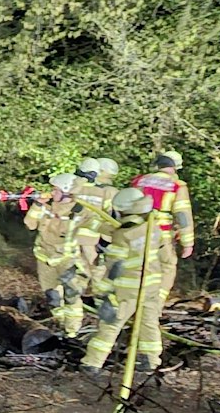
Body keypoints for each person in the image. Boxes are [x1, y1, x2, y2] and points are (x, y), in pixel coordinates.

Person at [79, 186, 168, 375]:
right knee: (148, 322)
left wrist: (101, 291)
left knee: (110, 324)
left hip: (128, 289)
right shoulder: (152, 228)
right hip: (152, 285)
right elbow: (164, 256)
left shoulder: (123, 235)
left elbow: (114, 267)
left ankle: (92, 363)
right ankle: (150, 360)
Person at [23, 172, 86, 337]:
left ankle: (72, 331)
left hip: (67, 260)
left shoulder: (79, 211)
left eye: (56, 190)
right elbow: (30, 224)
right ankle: (60, 324)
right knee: (53, 296)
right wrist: (37, 205)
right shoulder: (48, 207)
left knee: (72, 296)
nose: (52, 192)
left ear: (66, 192)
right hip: (44, 258)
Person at [129, 149, 194, 299]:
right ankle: (154, 307)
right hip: (161, 235)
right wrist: (187, 243)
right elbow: (182, 216)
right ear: (176, 167)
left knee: (137, 269)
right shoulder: (177, 185)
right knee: (166, 268)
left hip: (135, 232)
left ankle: (132, 305)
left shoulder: (140, 180)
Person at [69, 156, 119, 298]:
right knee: (95, 264)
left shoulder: (75, 187)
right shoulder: (106, 191)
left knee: (79, 264)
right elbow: (111, 214)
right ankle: (99, 295)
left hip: (72, 232)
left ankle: (77, 293)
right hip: (94, 234)